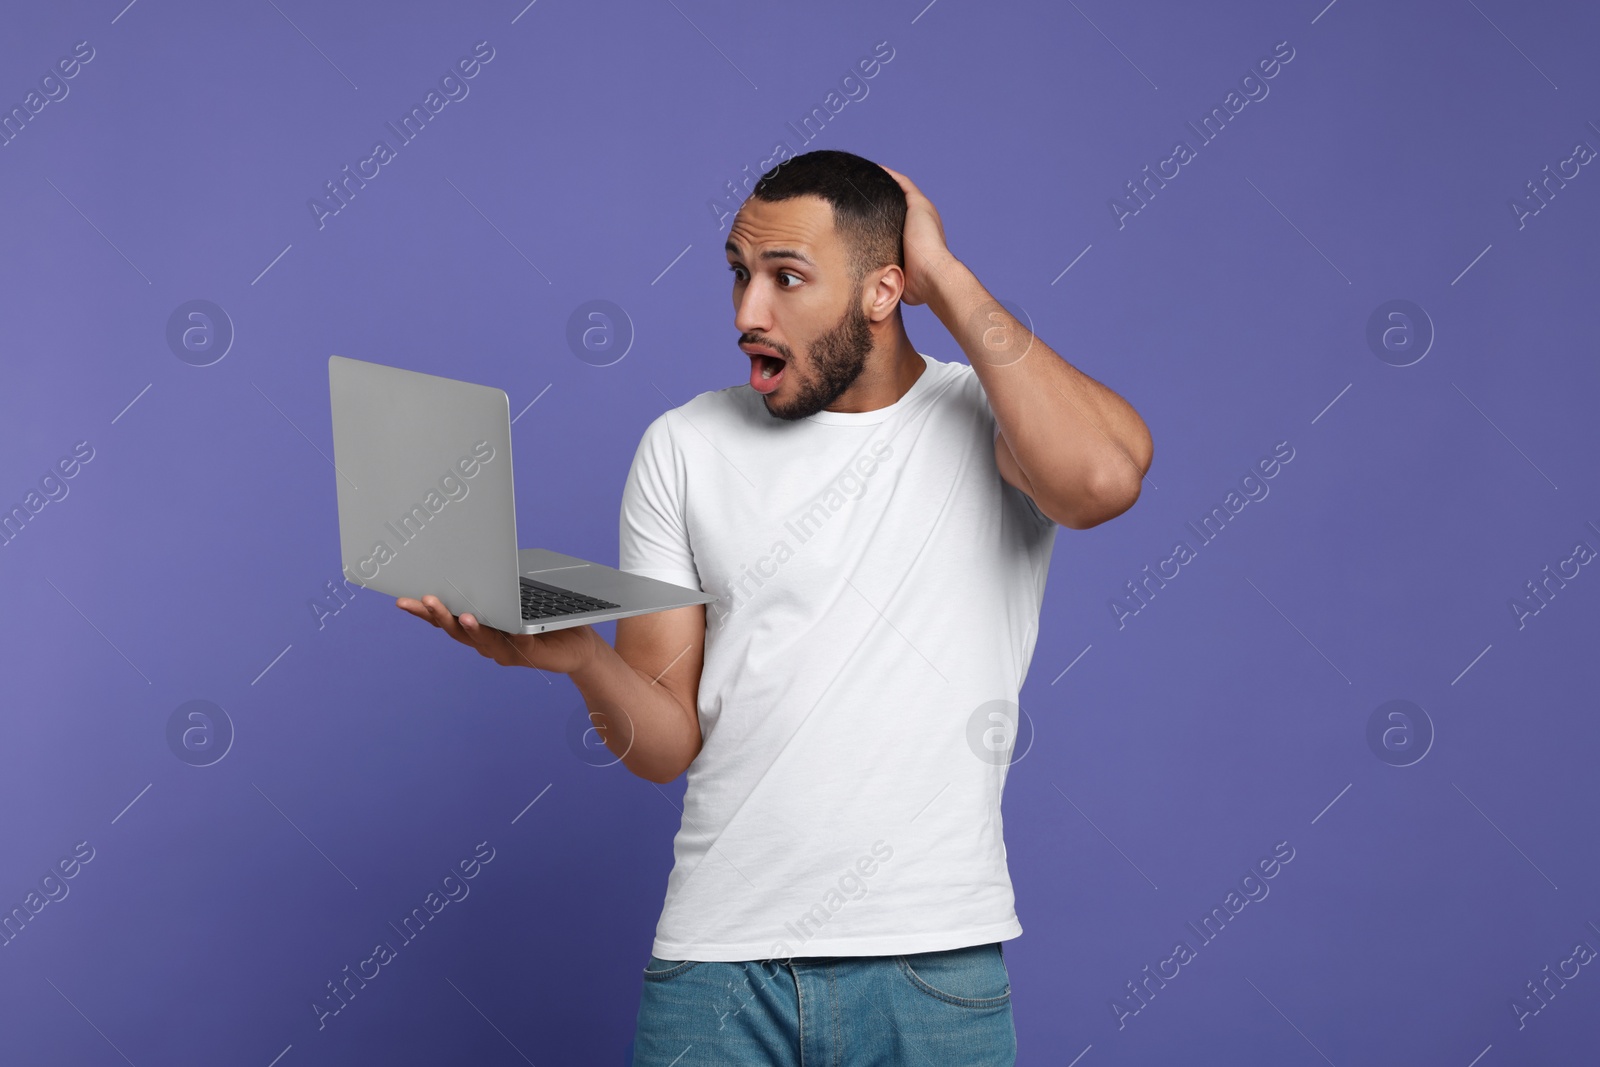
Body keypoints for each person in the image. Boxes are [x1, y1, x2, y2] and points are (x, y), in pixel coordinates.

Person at [397, 149, 1152, 1065]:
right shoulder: (685, 445)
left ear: (885, 289)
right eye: (739, 274)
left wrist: (946, 277)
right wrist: (582, 658)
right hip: (716, 973)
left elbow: (1104, 479)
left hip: (929, 966)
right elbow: (667, 743)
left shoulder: (992, 420)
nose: (748, 312)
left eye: (787, 278)